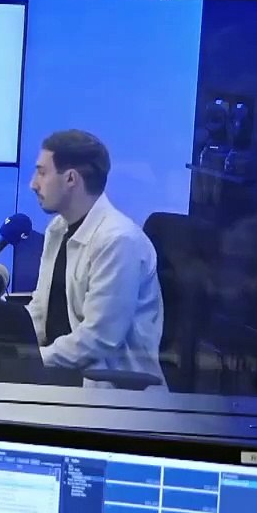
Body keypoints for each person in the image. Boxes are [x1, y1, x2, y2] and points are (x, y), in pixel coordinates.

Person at [26, 130, 165, 385]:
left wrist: (31, 359)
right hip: (60, 375)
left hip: (110, 391)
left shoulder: (119, 241)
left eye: (42, 173)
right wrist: (10, 346)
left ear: (71, 178)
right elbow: (40, 309)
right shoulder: (57, 229)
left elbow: (99, 339)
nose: (33, 184)